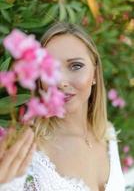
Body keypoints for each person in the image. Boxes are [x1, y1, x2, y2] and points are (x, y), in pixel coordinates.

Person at [0, 22, 125, 191]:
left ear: (94, 74)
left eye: (76, 66)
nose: (61, 82)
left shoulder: (107, 134)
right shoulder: (25, 149)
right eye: (50, 68)